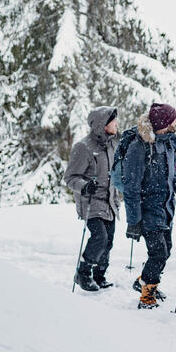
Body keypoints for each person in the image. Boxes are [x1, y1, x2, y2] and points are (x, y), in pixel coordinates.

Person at [122, 103, 176, 310]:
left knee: (167, 250)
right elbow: (131, 186)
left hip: (166, 210)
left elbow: (172, 177)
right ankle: (146, 297)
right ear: (164, 123)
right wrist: (134, 221)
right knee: (158, 253)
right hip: (148, 210)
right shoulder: (139, 147)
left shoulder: (170, 143)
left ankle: (144, 281)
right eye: (173, 119)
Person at [64, 106, 121, 292]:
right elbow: (70, 177)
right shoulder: (83, 147)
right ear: (102, 125)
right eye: (113, 121)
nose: (116, 124)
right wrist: (85, 186)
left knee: (109, 240)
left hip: (109, 201)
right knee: (100, 237)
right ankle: (82, 273)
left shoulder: (113, 145)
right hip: (91, 201)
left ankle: (99, 275)